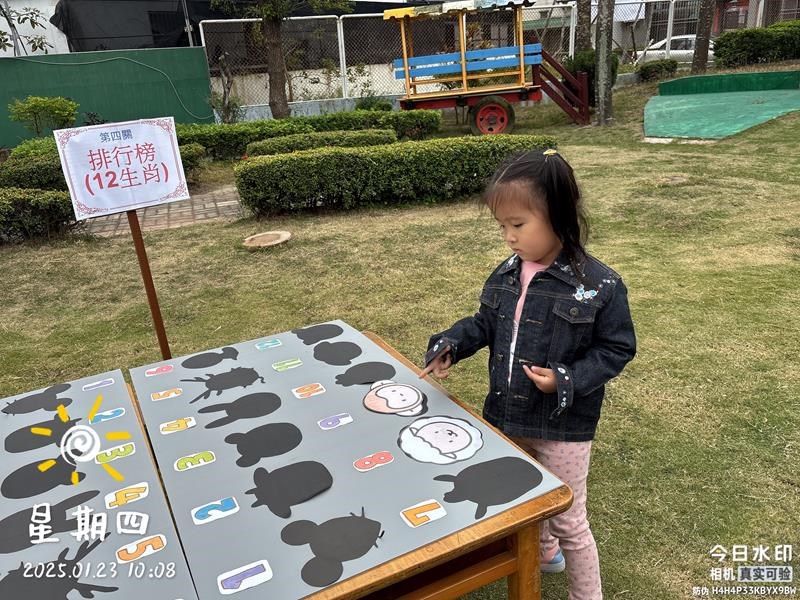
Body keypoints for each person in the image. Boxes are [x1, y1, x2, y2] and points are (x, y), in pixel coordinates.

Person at [419, 148, 636, 600]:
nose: (509, 237)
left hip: (562, 428)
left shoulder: (600, 285)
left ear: (557, 215)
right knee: (522, 500)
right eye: (502, 226)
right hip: (506, 417)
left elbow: (616, 348)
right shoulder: (505, 274)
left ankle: (586, 594)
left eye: (518, 225)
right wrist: (452, 344)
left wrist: (565, 379)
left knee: (568, 518)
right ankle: (544, 554)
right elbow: (484, 322)